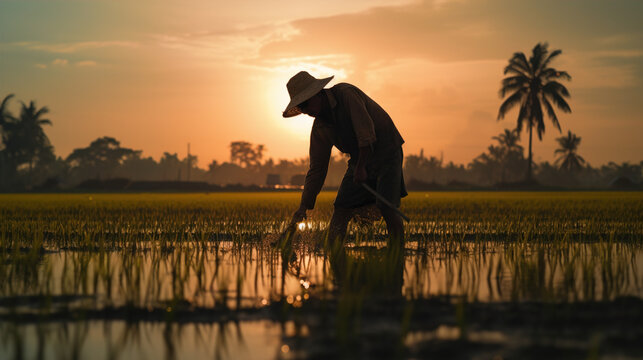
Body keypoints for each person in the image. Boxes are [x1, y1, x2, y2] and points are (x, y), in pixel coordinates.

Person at [283, 71, 407, 243]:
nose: (306, 111)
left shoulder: (346, 94)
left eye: (306, 104)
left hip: (386, 149)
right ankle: (334, 250)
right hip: (359, 157)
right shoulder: (320, 128)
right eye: (301, 108)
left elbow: (367, 134)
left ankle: (397, 250)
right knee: (341, 207)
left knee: (387, 205)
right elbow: (317, 169)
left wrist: (361, 167)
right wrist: (304, 206)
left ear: (318, 94)